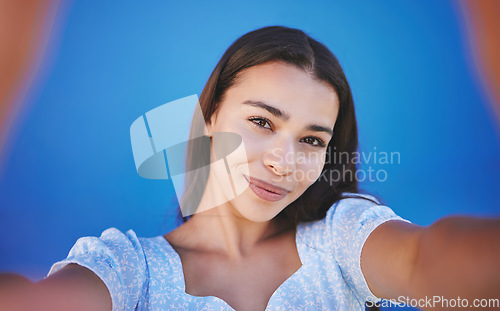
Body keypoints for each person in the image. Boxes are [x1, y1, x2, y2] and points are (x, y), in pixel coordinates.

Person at [1, 26, 499, 311]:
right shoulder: (129, 271)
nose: (284, 161)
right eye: (262, 121)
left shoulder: (340, 240)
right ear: (209, 116)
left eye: (310, 139)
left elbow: (427, 260)